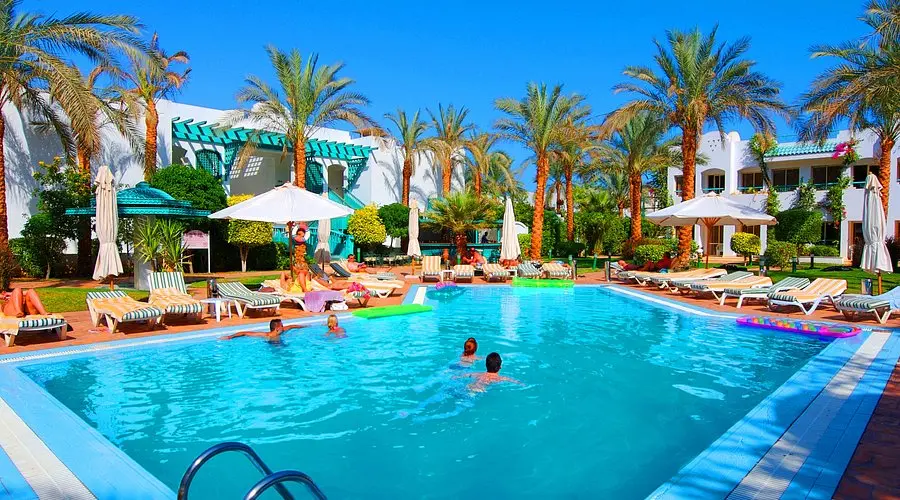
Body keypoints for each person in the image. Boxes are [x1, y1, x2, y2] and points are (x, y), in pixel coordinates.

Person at [219, 319, 304, 342]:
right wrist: (230, 337)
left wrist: (304, 326)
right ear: (277, 328)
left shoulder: (282, 331)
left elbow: (292, 326)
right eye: (282, 325)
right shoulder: (266, 335)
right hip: (272, 345)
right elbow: (244, 333)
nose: (283, 327)